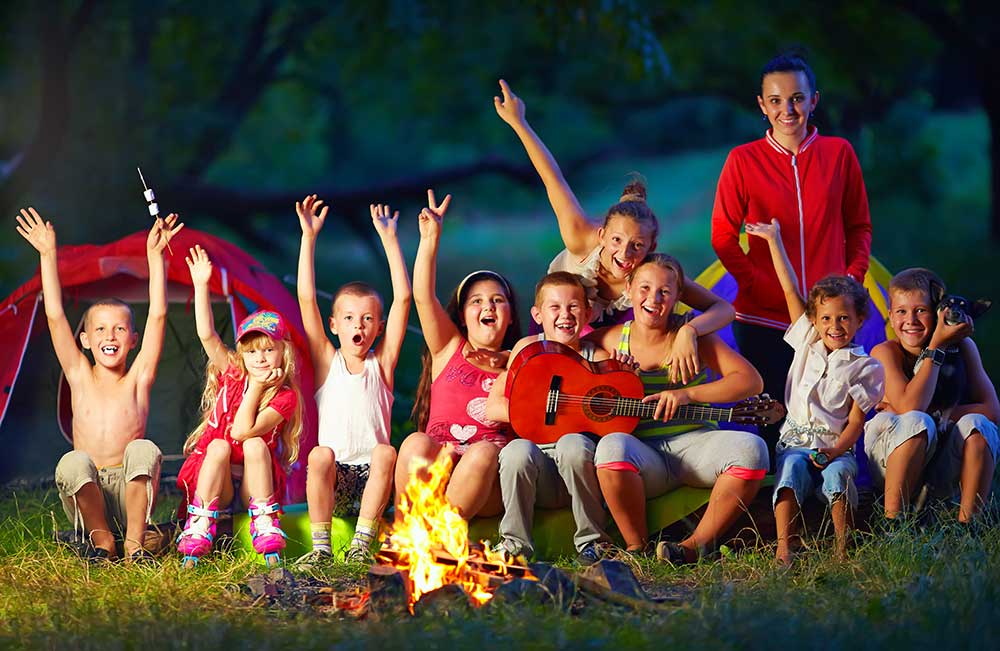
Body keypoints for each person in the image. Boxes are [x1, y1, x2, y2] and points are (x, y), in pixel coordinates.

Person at [495, 79, 733, 385]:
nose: (624, 254)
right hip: (561, 317)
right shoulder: (581, 237)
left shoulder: (653, 272)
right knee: (541, 381)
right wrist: (520, 123)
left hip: (609, 341)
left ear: (651, 245)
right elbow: (552, 178)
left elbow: (723, 308)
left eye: (637, 245)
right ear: (602, 235)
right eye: (617, 241)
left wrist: (690, 329)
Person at [710, 53, 873, 451]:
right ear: (763, 105)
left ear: (814, 100)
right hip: (762, 317)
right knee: (773, 420)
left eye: (797, 98)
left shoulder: (839, 154)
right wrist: (752, 280)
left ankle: (829, 500)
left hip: (829, 319)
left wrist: (851, 280)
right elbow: (722, 235)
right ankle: (775, 504)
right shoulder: (742, 160)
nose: (788, 109)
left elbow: (859, 226)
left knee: (829, 420)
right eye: (777, 100)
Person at [16, 208, 182, 563]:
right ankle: (102, 541)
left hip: (130, 492)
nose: (111, 336)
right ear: (86, 340)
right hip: (87, 493)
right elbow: (55, 315)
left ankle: (135, 543)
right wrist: (48, 255)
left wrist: (156, 259)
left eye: (120, 329)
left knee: (143, 449)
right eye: (101, 329)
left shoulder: (138, 379)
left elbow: (158, 314)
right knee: (74, 461)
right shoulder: (79, 374)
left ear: (133, 340)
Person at [588, 253, 768, 564]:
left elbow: (751, 381)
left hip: (695, 445)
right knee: (610, 447)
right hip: (644, 455)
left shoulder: (693, 334)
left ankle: (692, 547)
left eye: (664, 292)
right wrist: (612, 372)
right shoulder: (612, 339)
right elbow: (578, 368)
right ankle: (637, 547)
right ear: (628, 288)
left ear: (678, 298)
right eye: (644, 288)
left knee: (753, 448)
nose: (653, 299)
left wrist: (687, 394)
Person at [747, 219, 884, 563]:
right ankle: (784, 550)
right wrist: (774, 240)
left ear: (859, 321)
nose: (834, 327)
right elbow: (790, 290)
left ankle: (842, 551)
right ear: (814, 320)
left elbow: (855, 424)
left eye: (843, 319)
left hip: (837, 447)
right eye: (825, 319)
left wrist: (834, 452)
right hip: (795, 442)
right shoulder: (807, 342)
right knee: (790, 470)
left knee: (838, 477)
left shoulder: (864, 367)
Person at [295, 196, 409, 565]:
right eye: (348, 318)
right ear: (333, 325)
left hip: (374, 480)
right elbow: (306, 298)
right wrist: (308, 237)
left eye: (367, 319)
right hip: (336, 481)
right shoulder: (328, 362)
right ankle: (322, 548)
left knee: (386, 451)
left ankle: (362, 543)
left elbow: (404, 299)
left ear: (378, 326)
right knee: (319, 454)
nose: (357, 325)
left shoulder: (383, 363)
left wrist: (390, 241)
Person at [394, 190, 522, 519]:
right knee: (413, 444)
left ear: (510, 316)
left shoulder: (522, 361)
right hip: (438, 469)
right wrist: (430, 239)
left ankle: (439, 543)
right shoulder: (450, 347)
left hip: (486, 483)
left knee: (481, 452)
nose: (487, 306)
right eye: (476, 301)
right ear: (463, 316)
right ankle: (407, 533)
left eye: (497, 300)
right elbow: (422, 297)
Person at [176, 247, 303, 567]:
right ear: (241, 355)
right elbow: (206, 334)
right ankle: (200, 523)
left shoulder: (283, 396)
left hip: (251, 482)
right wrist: (202, 285)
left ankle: (263, 519)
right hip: (215, 476)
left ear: (282, 353)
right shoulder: (232, 371)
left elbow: (242, 430)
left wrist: (259, 387)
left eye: (268, 350)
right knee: (217, 446)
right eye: (251, 352)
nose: (259, 358)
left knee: (256, 444)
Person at [485, 271, 619, 565]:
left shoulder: (594, 356)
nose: (565, 315)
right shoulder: (527, 349)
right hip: (537, 472)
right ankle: (514, 545)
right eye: (555, 307)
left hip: (579, 469)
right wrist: (542, 412)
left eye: (573, 307)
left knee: (573, 443)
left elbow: (611, 412)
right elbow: (494, 407)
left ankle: (593, 542)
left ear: (587, 313)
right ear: (538, 314)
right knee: (517, 450)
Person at [865, 268, 999, 523]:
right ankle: (894, 523)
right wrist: (936, 347)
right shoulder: (885, 352)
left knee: (979, 425)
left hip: (939, 460)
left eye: (921, 310)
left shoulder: (963, 347)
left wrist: (942, 414)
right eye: (901, 311)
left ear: (939, 311)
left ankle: (968, 524)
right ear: (891, 317)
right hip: (891, 461)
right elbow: (911, 408)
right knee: (918, 421)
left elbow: (992, 410)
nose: (911, 320)